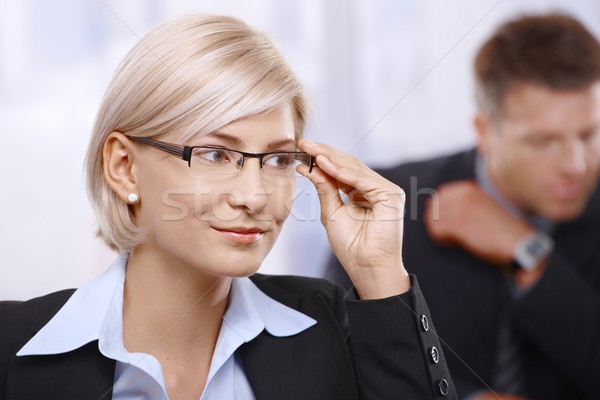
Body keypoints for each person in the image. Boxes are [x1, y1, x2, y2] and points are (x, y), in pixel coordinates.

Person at [0, 14, 456, 400]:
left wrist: (378, 273)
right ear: (124, 167)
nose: (255, 197)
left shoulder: (335, 324)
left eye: (278, 159)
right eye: (216, 155)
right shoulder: (10, 345)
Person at [325, 12, 600, 400]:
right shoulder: (389, 199)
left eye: (589, 134)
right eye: (545, 142)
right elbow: (345, 360)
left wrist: (528, 250)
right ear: (485, 132)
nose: (576, 164)